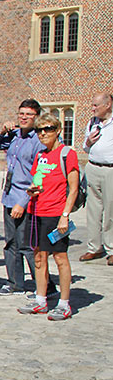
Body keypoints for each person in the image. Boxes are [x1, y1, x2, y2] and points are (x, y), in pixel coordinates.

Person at [17, 114, 80, 320]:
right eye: (39, 130)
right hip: (36, 212)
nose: (43, 133)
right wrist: (33, 191)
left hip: (55, 213)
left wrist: (65, 215)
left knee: (60, 257)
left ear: (58, 130)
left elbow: (73, 189)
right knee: (38, 256)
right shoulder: (40, 156)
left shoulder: (67, 154)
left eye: (49, 129)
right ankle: (41, 300)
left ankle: (64, 303)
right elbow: (38, 181)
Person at [0, 99, 47, 296]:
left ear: (36, 117)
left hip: (26, 198)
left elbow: (38, 176)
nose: (23, 117)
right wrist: (3, 131)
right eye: (21, 113)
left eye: (28, 114)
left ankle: (45, 287)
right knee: (11, 243)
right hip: (9, 195)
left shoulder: (38, 141)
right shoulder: (14, 136)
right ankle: (15, 283)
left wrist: (23, 203)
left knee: (28, 246)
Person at [81, 93, 113, 265]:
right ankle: (94, 248)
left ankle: (111, 248)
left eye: (96, 105)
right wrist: (88, 142)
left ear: (107, 105)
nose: (92, 108)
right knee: (93, 210)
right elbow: (85, 148)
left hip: (110, 170)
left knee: (110, 211)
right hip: (93, 167)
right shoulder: (92, 123)